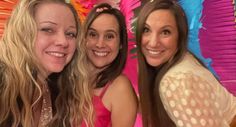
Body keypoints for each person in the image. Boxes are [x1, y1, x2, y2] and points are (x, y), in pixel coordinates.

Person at [136, 0, 236, 127]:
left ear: (180, 36)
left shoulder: (176, 81)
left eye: (165, 32)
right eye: (146, 30)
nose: (153, 42)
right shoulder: (182, 60)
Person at [0, 0, 93, 126]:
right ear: (23, 32)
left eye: (70, 34)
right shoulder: (3, 84)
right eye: (48, 30)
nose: (63, 41)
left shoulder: (61, 90)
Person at [81, 3, 138, 127]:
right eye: (93, 34)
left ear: (121, 43)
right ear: (83, 38)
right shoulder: (71, 79)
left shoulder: (120, 88)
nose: (100, 44)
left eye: (109, 36)